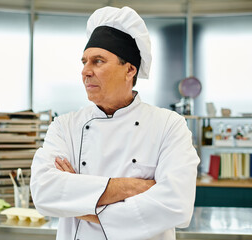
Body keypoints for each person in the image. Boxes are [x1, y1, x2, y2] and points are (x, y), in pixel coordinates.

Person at [30, 6, 200, 240]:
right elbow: (43, 192)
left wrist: (77, 199)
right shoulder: (64, 126)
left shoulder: (169, 126)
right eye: (84, 61)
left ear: (130, 70)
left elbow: (176, 206)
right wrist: (130, 187)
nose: (85, 71)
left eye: (98, 61)